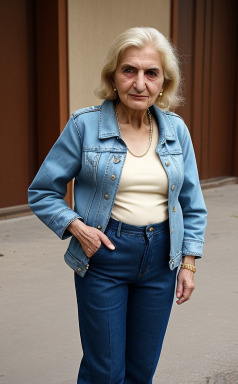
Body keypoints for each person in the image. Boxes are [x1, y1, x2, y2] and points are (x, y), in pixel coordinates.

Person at [28, 27, 207, 384]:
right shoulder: (85, 126)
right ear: (114, 76)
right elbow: (43, 191)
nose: (140, 83)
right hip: (104, 256)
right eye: (130, 70)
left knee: (141, 371)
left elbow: (192, 204)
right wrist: (78, 227)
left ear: (163, 82)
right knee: (105, 371)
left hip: (161, 260)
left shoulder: (176, 131)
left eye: (151, 73)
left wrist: (188, 262)